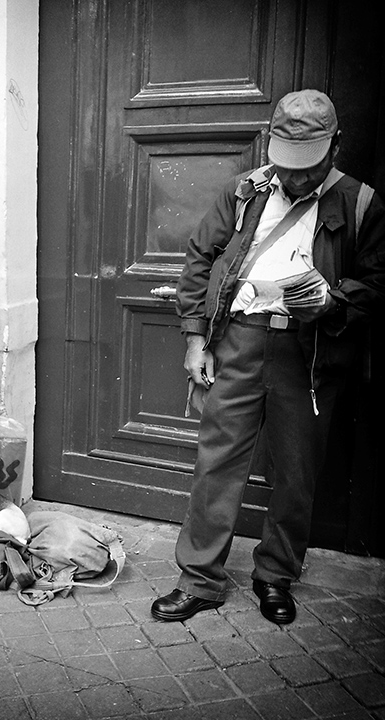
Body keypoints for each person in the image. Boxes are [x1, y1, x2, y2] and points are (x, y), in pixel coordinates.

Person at [151, 90, 385, 626]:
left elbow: (377, 282)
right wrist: (195, 338)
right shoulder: (244, 191)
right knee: (216, 464)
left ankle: (275, 575)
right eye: (287, 164)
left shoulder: (362, 203)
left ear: (336, 146)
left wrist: (332, 300)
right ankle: (200, 580)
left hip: (309, 352)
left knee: (297, 472)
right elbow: (200, 258)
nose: (296, 179)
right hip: (239, 340)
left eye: (308, 167)